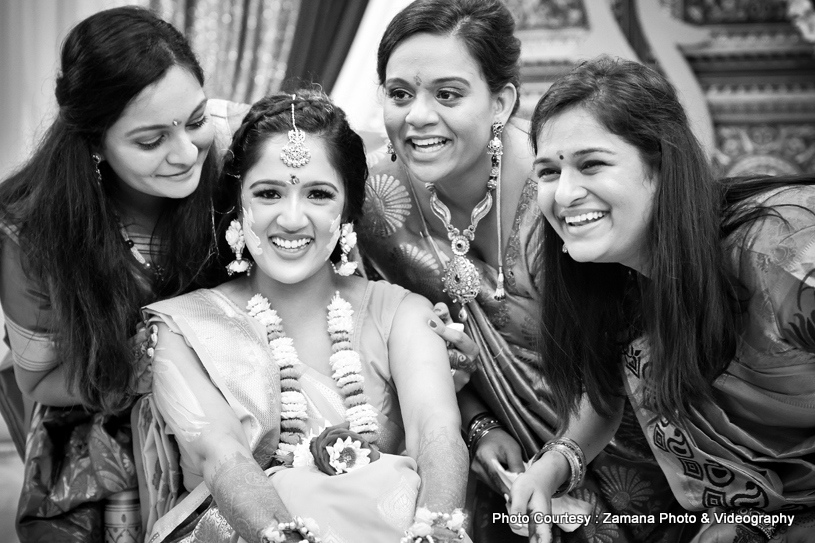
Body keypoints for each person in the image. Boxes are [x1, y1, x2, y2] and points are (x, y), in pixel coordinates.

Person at [360, 1, 690, 541]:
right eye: (399, 94)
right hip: (502, 470)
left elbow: (618, 362)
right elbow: (414, 348)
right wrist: (479, 423)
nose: (417, 115)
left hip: (635, 451)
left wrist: (559, 459)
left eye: (447, 94)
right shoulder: (379, 204)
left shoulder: (566, 195)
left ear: (500, 101)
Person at [136, 90, 470, 543]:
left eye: (318, 194)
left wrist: (438, 529)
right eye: (269, 193)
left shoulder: (401, 315)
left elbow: (437, 431)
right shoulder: (185, 327)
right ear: (238, 204)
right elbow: (224, 456)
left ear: (347, 210)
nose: (292, 219)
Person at [510, 55, 815, 543]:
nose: (564, 195)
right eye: (548, 172)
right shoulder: (620, 281)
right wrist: (550, 467)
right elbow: (602, 395)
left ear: (661, 164)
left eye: (591, 164)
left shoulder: (782, 248)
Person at [0, 7, 243, 540]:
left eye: (196, 120)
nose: (186, 154)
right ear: (93, 143)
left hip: (246, 398)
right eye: (151, 140)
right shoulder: (32, 232)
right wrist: (156, 365)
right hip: (105, 427)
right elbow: (39, 381)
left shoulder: (236, 146)